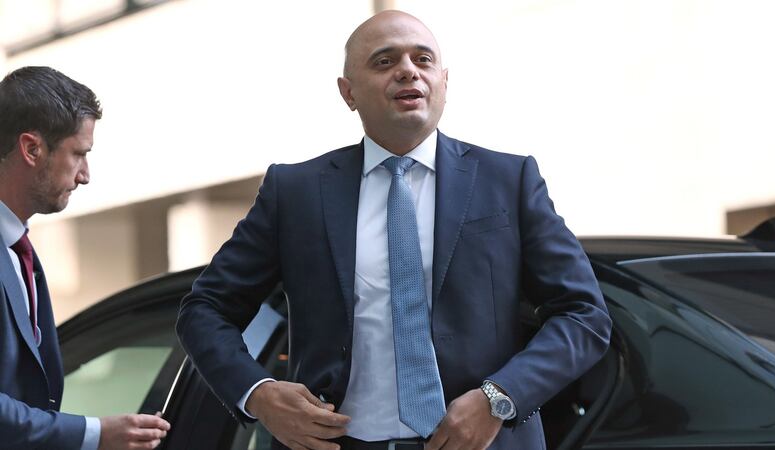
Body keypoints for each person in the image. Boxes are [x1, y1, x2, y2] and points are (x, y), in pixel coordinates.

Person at [177, 10, 611, 450]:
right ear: (348, 92)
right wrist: (259, 394)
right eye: (384, 61)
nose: (408, 70)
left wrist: (499, 398)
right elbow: (205, 309)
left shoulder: (509, 180)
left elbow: (584, 314)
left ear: (444, 81)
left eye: (423, 59)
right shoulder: (294, 193)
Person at [0, 66, 171, 450]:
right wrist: (95, 434)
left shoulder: (19, 249)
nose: (85, 175)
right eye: (78, 154)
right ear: (31, 148)